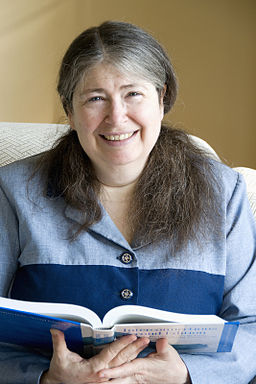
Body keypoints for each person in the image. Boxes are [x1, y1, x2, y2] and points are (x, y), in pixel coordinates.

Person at [0, 20, 255, 384]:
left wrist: (187, 374)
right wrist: (45, 377)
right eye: (95, 98)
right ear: (69, 112)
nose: (116, 117)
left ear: (162, 98)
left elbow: (252, 325)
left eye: (133, 94)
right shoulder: (12, 191)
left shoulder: (224, 192)